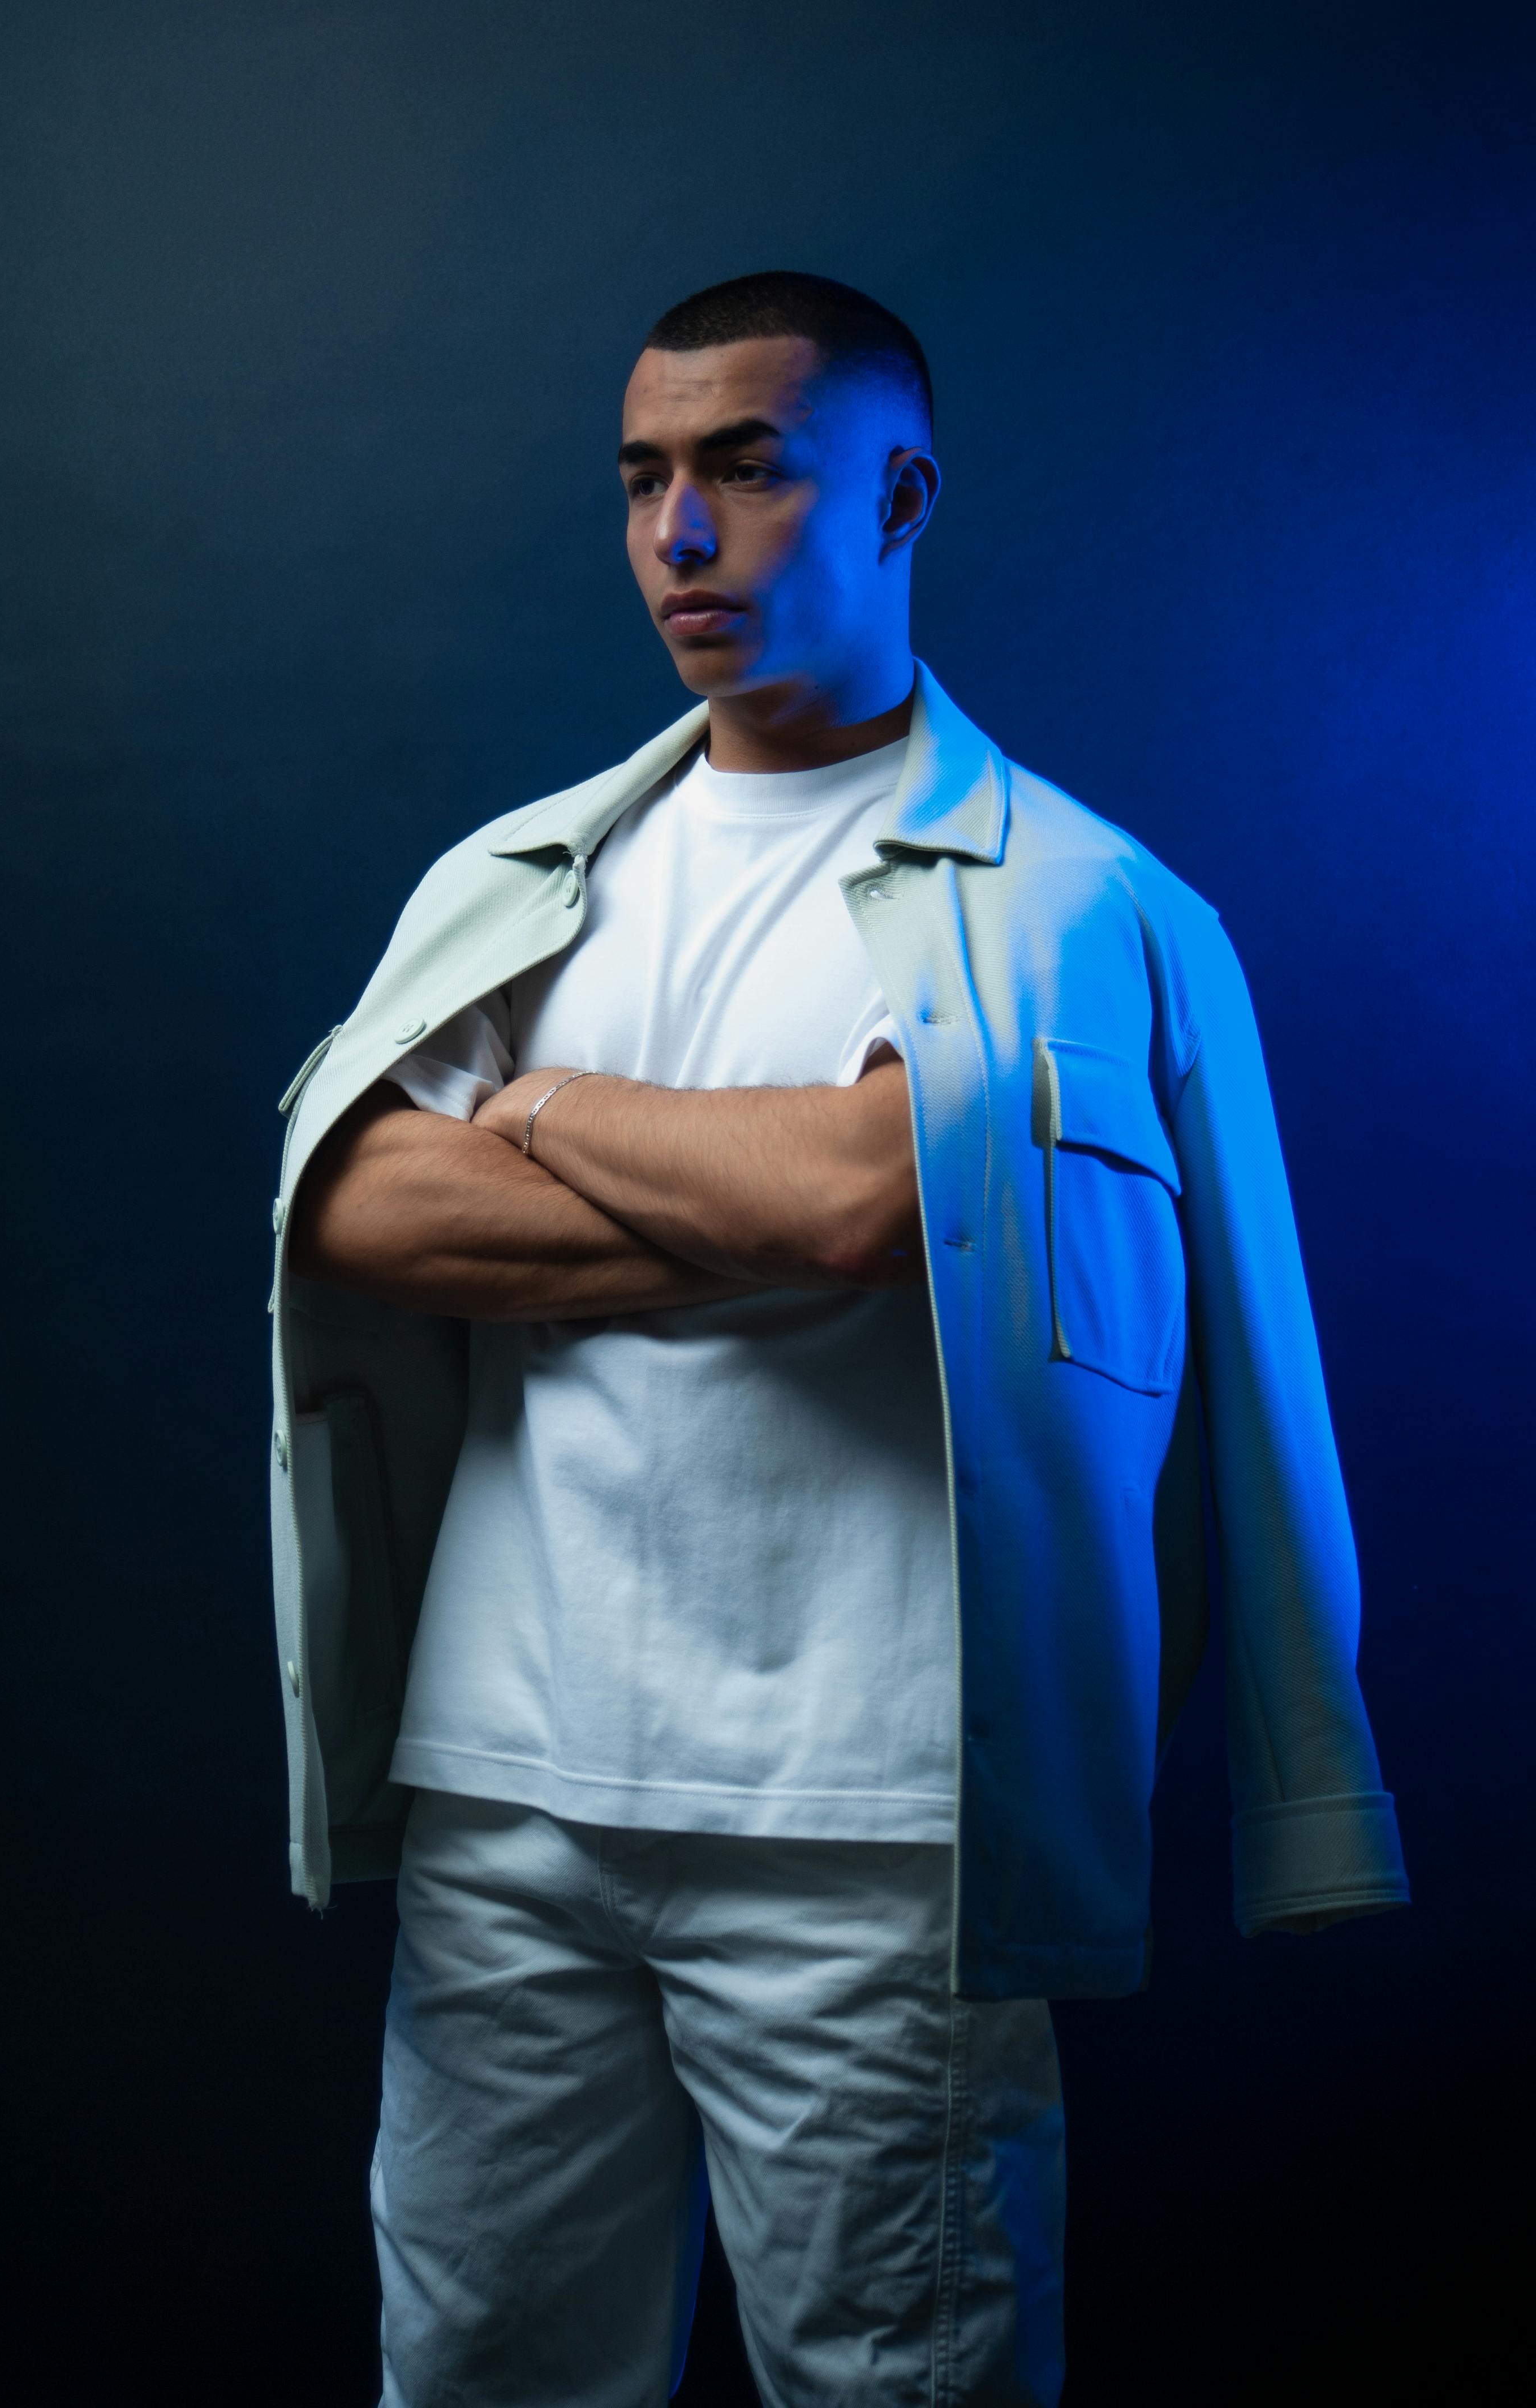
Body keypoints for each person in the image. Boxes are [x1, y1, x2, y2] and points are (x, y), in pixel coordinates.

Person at [268, 271, 1408, 2408]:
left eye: (747, 469)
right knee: (477, 2371)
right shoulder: (515, 879)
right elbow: (353, 1207)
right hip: (505, 1795)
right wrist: (789, 1202)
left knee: (904, 2382)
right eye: (643, 481)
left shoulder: (1079, 901)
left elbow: (877, 1199)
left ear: (902, 497)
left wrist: (544, 1109)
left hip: (872, 1829)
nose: (680, 536)